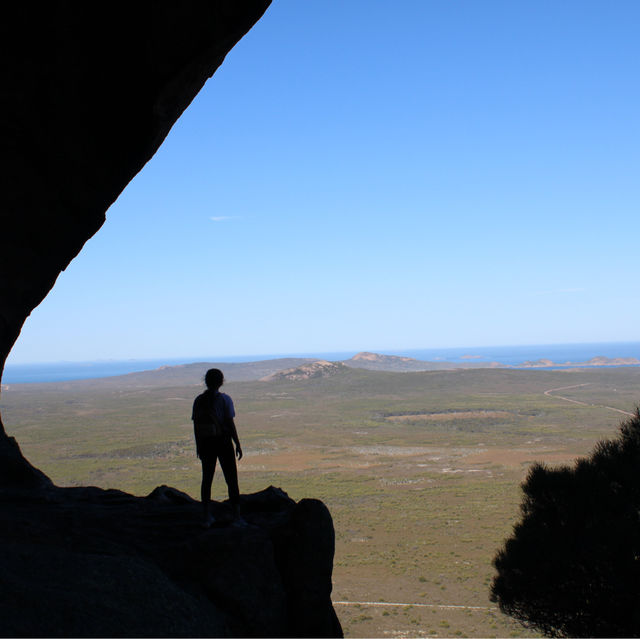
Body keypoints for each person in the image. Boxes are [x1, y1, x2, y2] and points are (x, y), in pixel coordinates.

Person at [191, 368, 243, 527]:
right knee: (231, 479)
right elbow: (230, 423)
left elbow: (196, 425)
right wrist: (237, 443)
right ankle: (236, 516)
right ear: (221, 382)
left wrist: (199, 445)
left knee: (207, 479)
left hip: (206, 443)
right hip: (223, 442)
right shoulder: (225, 400)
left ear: (206, 381)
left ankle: (206, 515)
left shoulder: (199, 400)